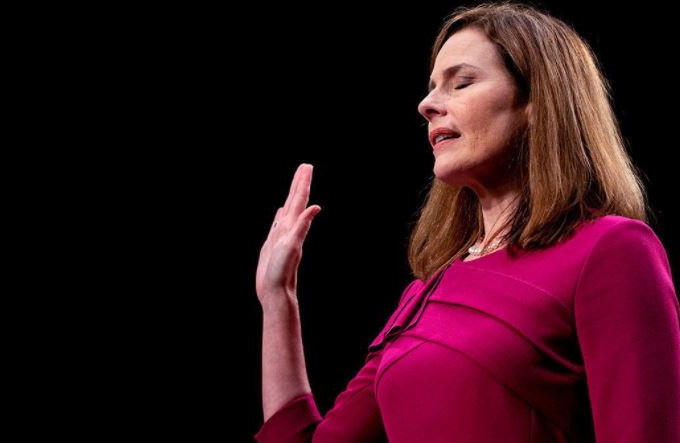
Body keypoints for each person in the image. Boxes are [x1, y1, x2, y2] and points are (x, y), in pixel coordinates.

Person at [254, 2, 680, 442]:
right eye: (431, 89)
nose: (426, 105)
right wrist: (278, 297)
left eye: (461, 83)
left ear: (537, 101)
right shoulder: (424, 294)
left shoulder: (612, 249)